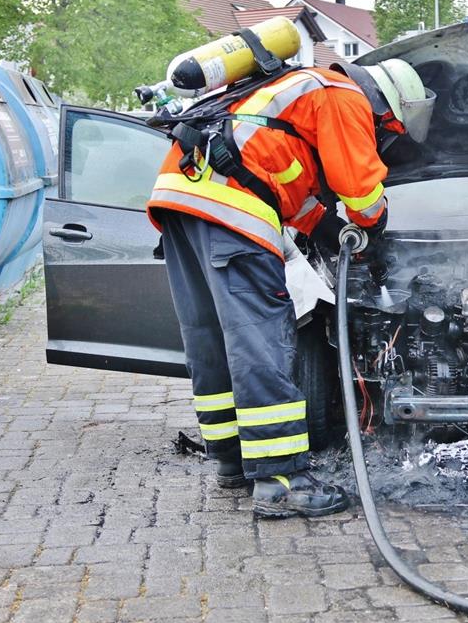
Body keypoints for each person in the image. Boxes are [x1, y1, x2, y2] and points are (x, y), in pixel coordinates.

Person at [146, 58, 434, 519]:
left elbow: (278, 178)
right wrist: (374, 226)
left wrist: (323, 227)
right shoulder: (342, 94)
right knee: (261, 339)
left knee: (212, 341)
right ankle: (280, 480)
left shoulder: (299, 90)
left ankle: (232, 460)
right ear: (388, 105)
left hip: (183, 199)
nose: (384, 141)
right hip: (231, 211)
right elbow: (360, 188)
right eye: (389, 132)